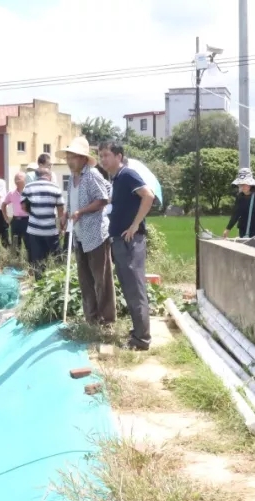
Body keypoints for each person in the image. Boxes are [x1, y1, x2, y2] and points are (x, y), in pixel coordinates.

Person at [98, 141, 157, 351]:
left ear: (118, 156)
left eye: (106, 155)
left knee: (134, 288)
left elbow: (149, 196)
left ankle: (141, 339)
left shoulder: (127, 175)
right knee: (129, 287)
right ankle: (138, 333)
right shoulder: (116, 179)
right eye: (101, 155)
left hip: (130, 242)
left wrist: (135, 225)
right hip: (120, 241)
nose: (102, 159)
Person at [59, 136, 115, 326]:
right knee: (85, 280)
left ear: (83, 158)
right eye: (67, 157)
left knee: (101, 280)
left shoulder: (92, 175)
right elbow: (70, 201)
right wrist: (65, 214)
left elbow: (103, 199)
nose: (69, 161)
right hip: (79, 235)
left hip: (96, 235)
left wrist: (81, 211)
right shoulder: (72, 179)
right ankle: (91, 319)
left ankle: (107, 321)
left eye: (72, 157)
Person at [21, 166, 65, 277]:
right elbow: (60, 210)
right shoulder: (55, 187)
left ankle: (39, 283)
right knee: (57, 259)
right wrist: (62, 227)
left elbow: (23, 206)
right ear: (49, 176)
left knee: (38, 260)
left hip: (34, 230)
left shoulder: (28, 187)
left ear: (37, 176)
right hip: (50, 230)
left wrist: (33, 213)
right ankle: (58, 281)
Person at [223, 168, 255, 239]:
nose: (242, 186)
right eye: (241, 184)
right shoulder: (240, 196)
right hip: (244, 230)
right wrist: (228, 229)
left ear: (250, 184)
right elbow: (236, 214)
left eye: (245, 184)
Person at [2, 171, 29, 255]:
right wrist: (6, 218)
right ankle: (15, 262)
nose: (17, 181)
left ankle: (30, 262)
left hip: (27, 220)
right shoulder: (11, 193)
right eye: (15, 179)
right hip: (15, 221)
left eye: (19, 179)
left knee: (29, 242)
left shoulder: (29, 192)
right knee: (15, 243)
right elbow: (3, 205)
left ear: (25, 180)